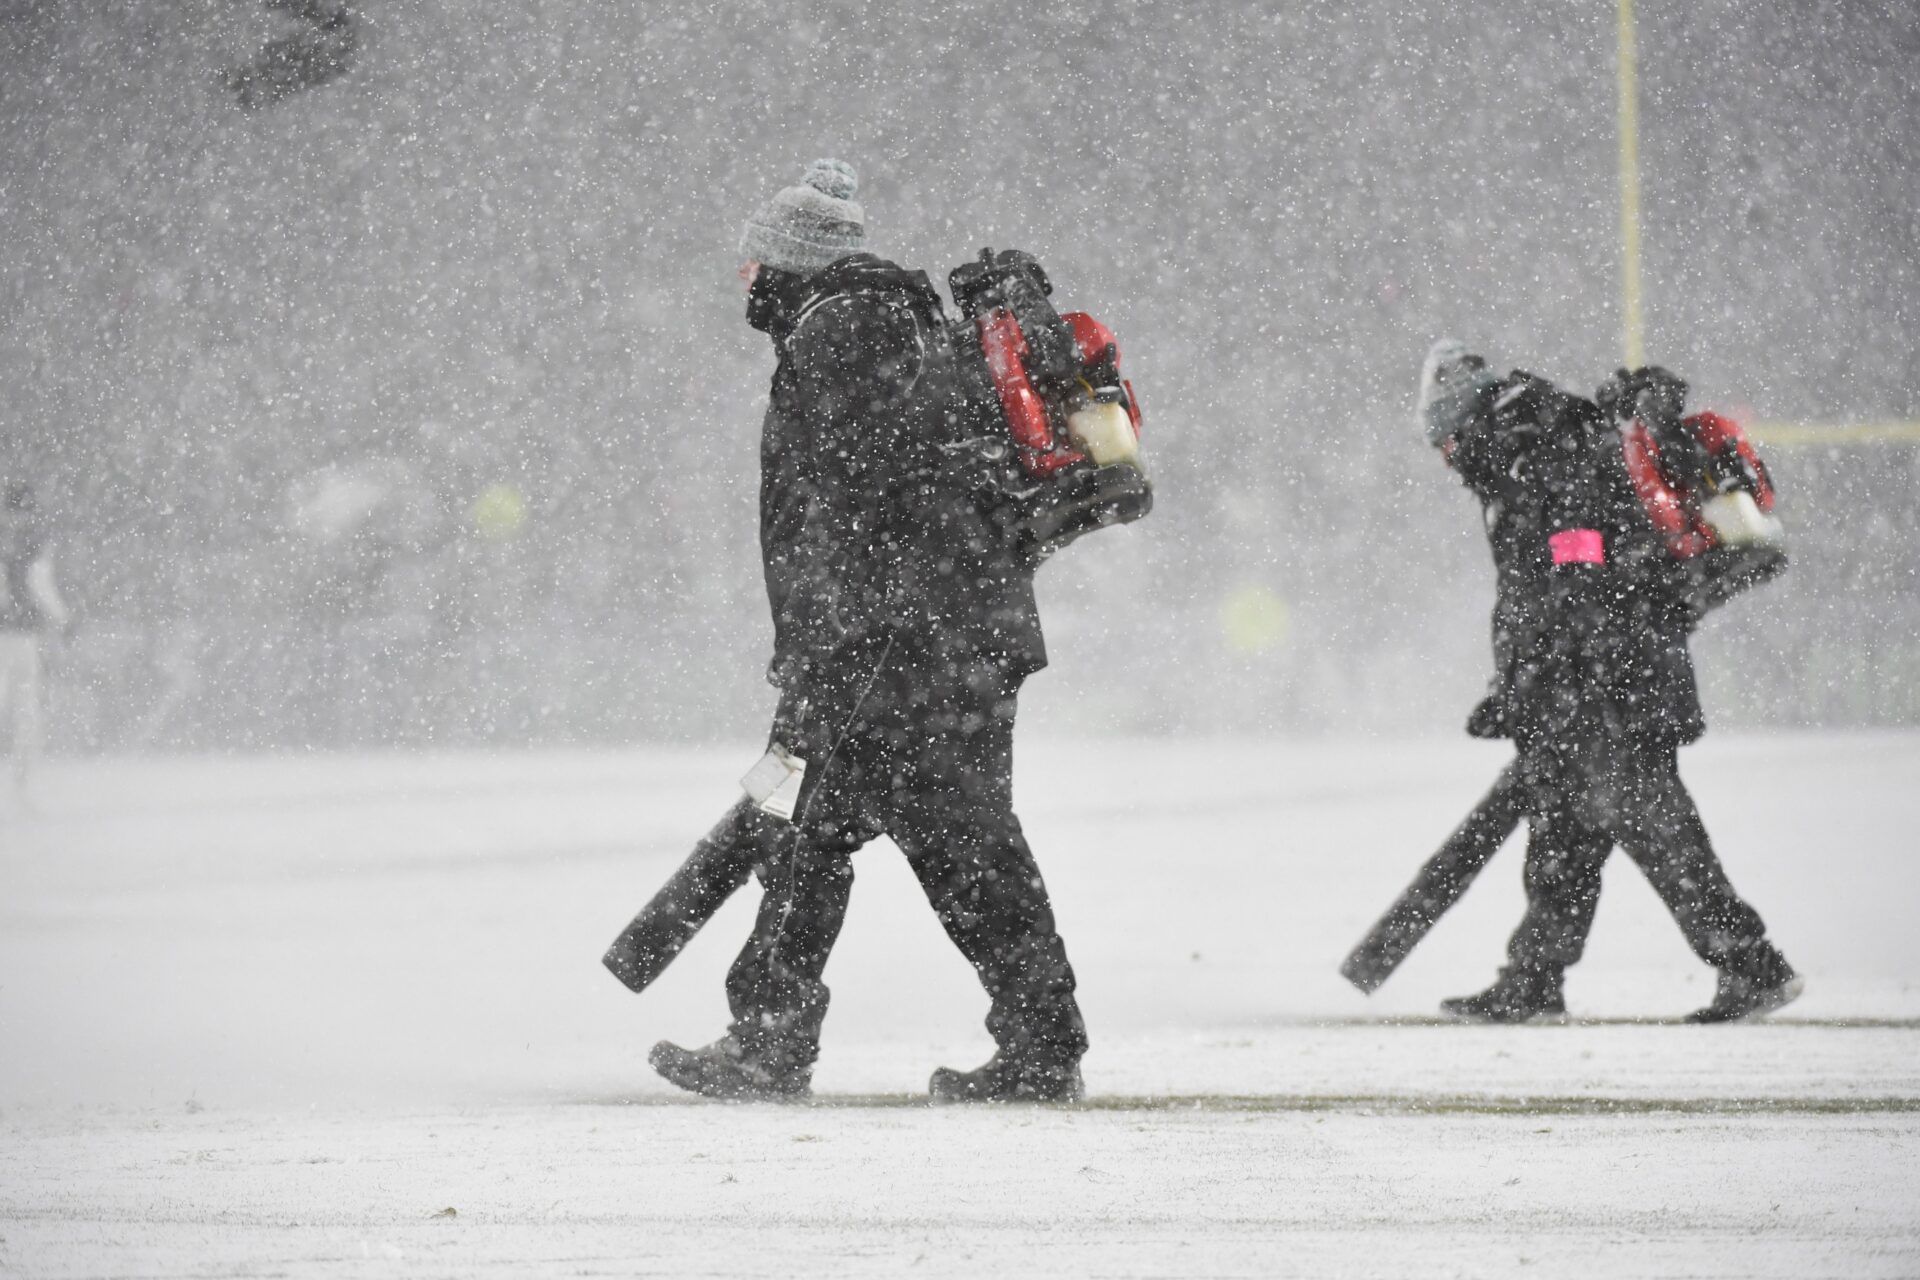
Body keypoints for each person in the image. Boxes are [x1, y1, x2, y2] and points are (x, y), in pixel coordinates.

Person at [642, 160, 1087, 1103]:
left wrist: (841, 638)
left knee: (905, 838)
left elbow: (869, 494)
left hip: (896, 648)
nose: (744, 280)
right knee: (846, 833)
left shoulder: (846, 330)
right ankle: (786, 1035)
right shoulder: (886, 321)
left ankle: (1022, 1047)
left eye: (752, 261)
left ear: (787, 260)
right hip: (939, 634)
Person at [1416, 343, 1801, 1024]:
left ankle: (1750, 963)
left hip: (1609, 690)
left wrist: (1551, 676)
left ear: (1463, 427)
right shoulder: (1539, 448)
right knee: (1563, 836)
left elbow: (1578, 575)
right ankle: (1533, 981)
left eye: (1447, 446)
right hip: (1588, 686)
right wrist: (1518, 687)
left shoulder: (1542, 458)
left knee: (1661, 834)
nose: (1451, 464)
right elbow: (1556, 589)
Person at [1, 481, 71, 799]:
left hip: (17, 633)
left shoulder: (16, 541)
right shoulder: (33, 543)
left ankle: (21, 786)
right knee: (25, 710)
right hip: (19, 636)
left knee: (18, 708)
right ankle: (22, 787)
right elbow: (39, 583)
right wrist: (62, 618)